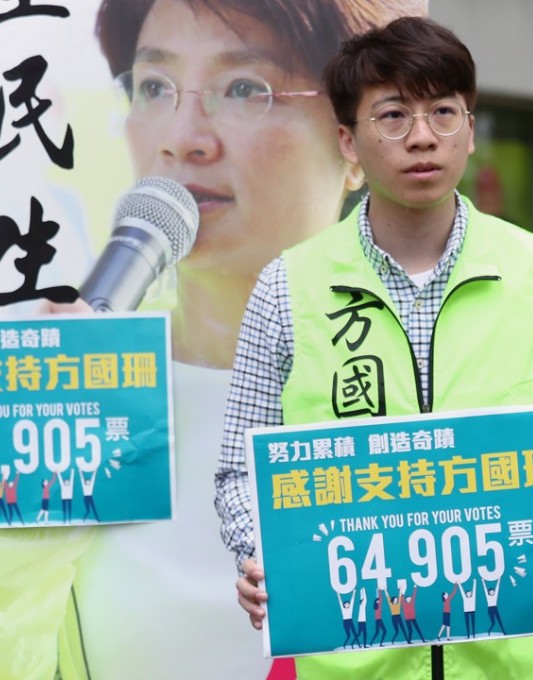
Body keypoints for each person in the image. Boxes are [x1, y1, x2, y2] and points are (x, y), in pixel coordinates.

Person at [215, 16, 533, 679]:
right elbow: (237, 472)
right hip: (346, 658)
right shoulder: (288, 287)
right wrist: (261, 553)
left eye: (443, 112)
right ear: (348, 140)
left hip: (506, 656)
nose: (423, 136)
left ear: (472, 129)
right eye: (394, 115)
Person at [37, 2, 426, 680]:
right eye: (154, 87)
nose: (182, 138)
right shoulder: (70, 398)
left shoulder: (436, 389)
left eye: (246, 88)